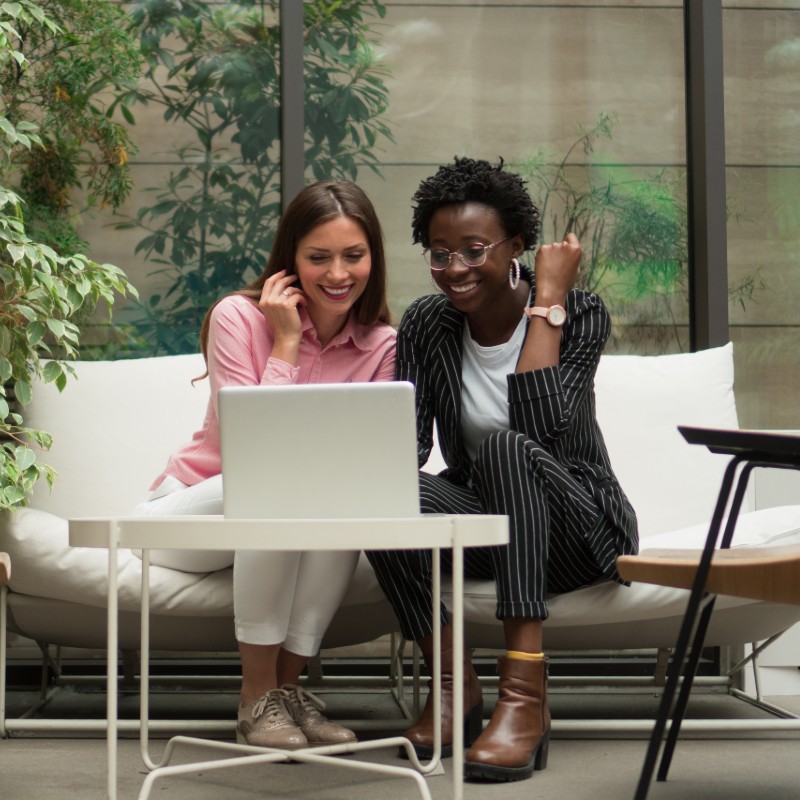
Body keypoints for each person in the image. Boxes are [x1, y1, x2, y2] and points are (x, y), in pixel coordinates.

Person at [367, 157, 638, 782]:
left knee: (507, 448)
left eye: (473, 249)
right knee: (380, 492)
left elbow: (541, 429)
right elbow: (408, 448)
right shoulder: (428, 324)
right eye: (439, 253)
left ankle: (524, 697)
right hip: (491, 530)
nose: (454, 268)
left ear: (517, 246)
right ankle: (455, 688)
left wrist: (549, 299)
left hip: (579, 532)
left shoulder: (582, 313)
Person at [132, 180, 396, 750]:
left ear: (374, 257)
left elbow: (365, 460)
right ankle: (256, 697)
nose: (338, 274)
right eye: (318, 257)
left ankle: (283, 694)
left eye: (354, 255)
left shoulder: (381, 344)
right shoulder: (237, 316)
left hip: (286, 514)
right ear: (289, 260)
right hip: (185, 518)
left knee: (336, 503)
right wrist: (286, 343)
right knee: (275, 486)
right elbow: (252, 449)